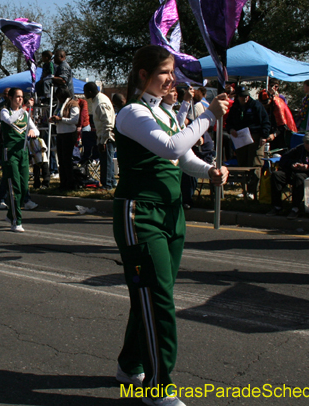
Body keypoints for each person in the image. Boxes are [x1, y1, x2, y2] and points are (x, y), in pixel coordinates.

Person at [113, 45, 229, 405]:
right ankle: (158, 387)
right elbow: (168, 147)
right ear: (144, 75)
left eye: (172, 72)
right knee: (159, 299)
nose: (171, 78)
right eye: (165, 71)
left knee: (151, 293)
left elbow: (183, 157)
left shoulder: (165, 113)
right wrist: (208, 114)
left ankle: (129, 364)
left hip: (172, 213)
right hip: (141, 215)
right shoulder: (132, 113)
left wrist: (209, 171)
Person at [266, 131, 309, 219]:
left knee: (299, 177)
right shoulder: (301, 148)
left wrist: (308, 167)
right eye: (305, 144)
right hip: (295, 172)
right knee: (277, 175)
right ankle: (277, 206)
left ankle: (295, 208)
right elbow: (284, 158)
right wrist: (293, 164)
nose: (307, 147)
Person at [0, 88, 39, 231]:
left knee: (23, 186)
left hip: (23, 153)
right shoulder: (5, 112)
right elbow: (10, 120)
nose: (20, 99)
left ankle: (11, 214)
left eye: (22, 97)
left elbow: (36, 129)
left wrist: (33, 131)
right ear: (10, 98)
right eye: (17, 97)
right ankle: (16, 221)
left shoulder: (25, 114)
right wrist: (23, 108)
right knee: (15, 186)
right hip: (10, 154)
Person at [225, 85, 271, 199]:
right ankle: (245, 190)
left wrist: (263, 136)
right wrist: (231, 129)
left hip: (255, 138)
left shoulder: (256, 105)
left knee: (254, 163)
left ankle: (253, 191)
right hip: (240, 139)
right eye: (241, 96)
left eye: (246, 96)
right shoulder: (235, 107)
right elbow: (229, 122)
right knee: (243, 164)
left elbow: (265, 122)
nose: (244, 98)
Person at [84, 82, 117, 190]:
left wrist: (104, 141)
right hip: (102, 136)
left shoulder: (100, 103)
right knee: (106, 160)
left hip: (106, 137)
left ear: (90, 92)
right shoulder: (97, 100)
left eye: (85, 92)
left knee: (106, 161)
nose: (84, 94)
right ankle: (111, 181)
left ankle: (107, 184)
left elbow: (107, 124)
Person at [50, 87, 80, 190]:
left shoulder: (73, 104)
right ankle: (63, 183)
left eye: (59, 97)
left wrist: (61, 119)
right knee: (61, 160)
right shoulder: (59, 104)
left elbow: (74, 120)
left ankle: (70, 183)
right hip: (60, 133)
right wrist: (54, 119)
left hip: (69, 133)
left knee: (67, 160)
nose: (58, 99)